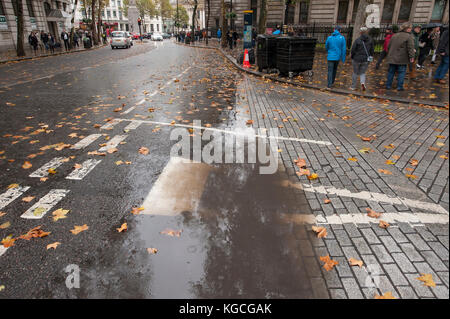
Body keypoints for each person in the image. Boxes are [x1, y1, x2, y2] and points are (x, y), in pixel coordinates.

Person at [385, 22, 415, 91]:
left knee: (391, 72)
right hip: (402, 58)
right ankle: (399, 87)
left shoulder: (394, 35)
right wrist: (412, 57)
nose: (411, 29)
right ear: (407, 28)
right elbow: (410, 48)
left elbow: (389, 46)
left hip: (392, 57)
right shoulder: (409, 36)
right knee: (401, 72)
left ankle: (388, 85)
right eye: (410, 28)